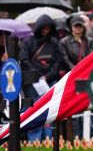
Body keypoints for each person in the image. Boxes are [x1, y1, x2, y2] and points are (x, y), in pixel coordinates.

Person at [19, 14, 66, 142]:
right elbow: (24, 59)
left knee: (50, 110)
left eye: (48, 28)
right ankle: (34, 140)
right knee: (34, 109)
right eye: (43, 28)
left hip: (49, 80)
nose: (46, 31)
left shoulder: (54, 43)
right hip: (32, 82)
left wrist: (47, 76)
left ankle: (49, 139)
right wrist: (37, 74)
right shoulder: (28, 42)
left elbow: (58, 61)